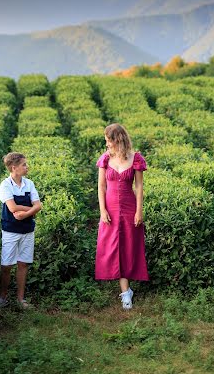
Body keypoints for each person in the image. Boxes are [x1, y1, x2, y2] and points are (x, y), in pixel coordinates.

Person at [95, 123, 149, 309]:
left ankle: (126, 290)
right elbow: (101, 187)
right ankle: (125, 292)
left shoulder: (136, 159)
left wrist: (139, 210)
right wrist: (102, 210)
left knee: (128, 247)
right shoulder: (104, 159)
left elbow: (139, 186)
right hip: (110, 209)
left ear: (118, 140)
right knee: (112, 247)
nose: (106, 144)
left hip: (128, 207)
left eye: (108, 141)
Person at [0, 152, 42, 309]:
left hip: (27, 230)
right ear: (14, 168)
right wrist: (30, 209)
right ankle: (2, 297)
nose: (27, 167)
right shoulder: (6, 185)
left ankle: (20, 299)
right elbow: (12, 207)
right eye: (24, 165)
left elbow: (39, 205)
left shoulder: (29, 184)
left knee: (23, 264)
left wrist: (24, 214)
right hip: (11, 231)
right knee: (6, 265)